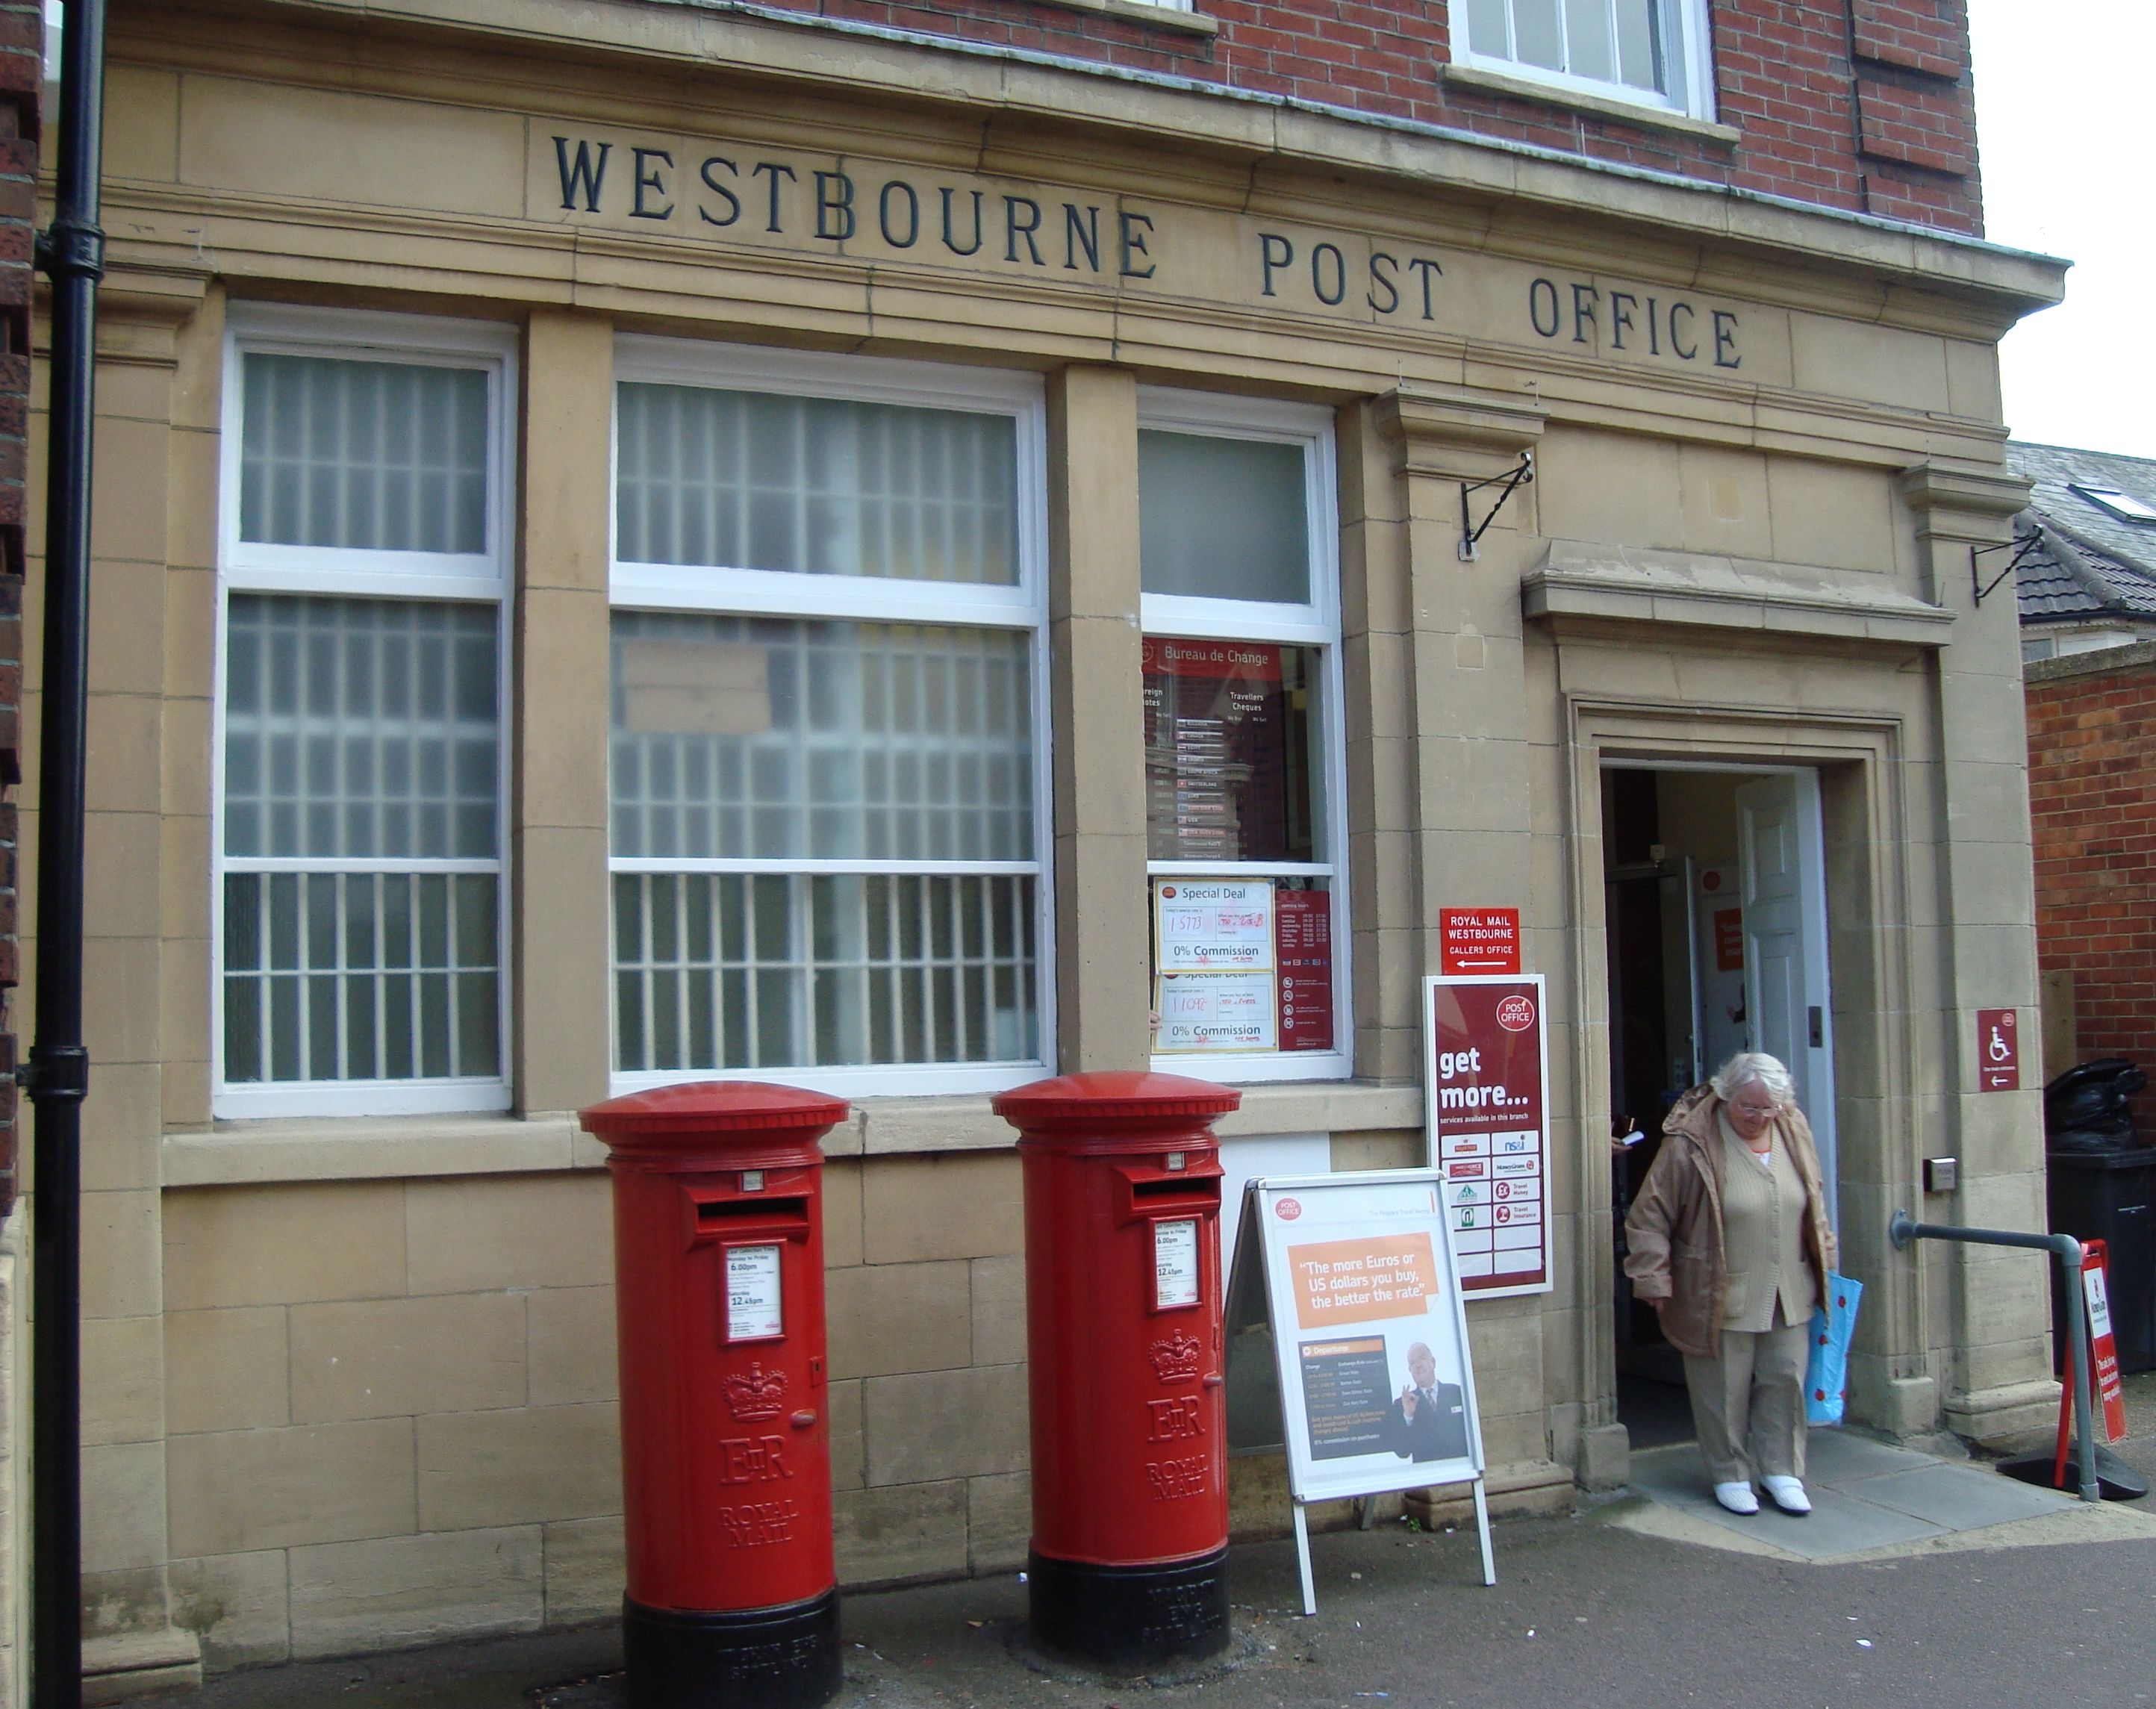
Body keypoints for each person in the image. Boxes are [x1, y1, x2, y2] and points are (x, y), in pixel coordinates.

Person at [1623, 1051, 1838, 1517]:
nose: (1761, 1117)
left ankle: (1782, 1470)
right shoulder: (1691, 1141)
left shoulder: (1792, 1127)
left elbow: (1814, 1198)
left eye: (1770, 1108)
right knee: (1723, 1389)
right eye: (1750, 1107)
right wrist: (1652, 1277)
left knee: (1785, 1380)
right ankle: (1730, 1472)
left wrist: (1828, 1260)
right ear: (1726, 1095)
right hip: (1716, 1287)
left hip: (1789, 1286)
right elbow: (1649, 1216)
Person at [1381, 1341, 1469, 1463]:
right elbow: (1402, 1451)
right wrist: (1408, 1416)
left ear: (1433, 1362)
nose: (1418, 1365)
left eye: (1422, 1358)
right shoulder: (1402, 1404)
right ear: (1410, 1370)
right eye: (1413, 1363)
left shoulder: (1457, 1393)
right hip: (1428, 1476)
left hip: (1459, 1471)